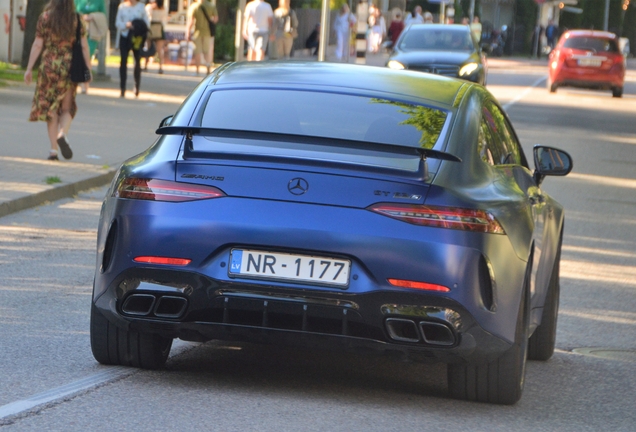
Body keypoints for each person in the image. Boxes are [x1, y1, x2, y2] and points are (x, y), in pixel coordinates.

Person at [24, 0, 92, 161]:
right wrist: (88, 69)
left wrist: (29, 68)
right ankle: (63, 134)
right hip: (69, 67)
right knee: (67, 108)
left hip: (48, 66)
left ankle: (53, 151)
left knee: (51, 109)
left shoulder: (45, 17)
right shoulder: (76, 19)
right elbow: (84, 46)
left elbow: (38, 44)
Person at [115, 0, 149, 98]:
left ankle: (136, 86)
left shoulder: (141, 7)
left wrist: (139, 27)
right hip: (125, 35)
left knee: (137, 60)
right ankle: (122, 88)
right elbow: (117, 22)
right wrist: (126, 25)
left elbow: (146, 22)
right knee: (123, 60)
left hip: (136, 37)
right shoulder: (122, 7)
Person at [75, 0, 105, 94]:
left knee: (87, 56)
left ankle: (85, 82)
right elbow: (72, 12)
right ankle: (76, 80)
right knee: (78, 56)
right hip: (78, 30)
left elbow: (103, 15)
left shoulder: (99, 1)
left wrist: (92, 17)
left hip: (92, 32)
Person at [186, 0, 217, 74]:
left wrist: (187, 32)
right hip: (207, 33)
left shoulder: (194, 6)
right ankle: (208, 69)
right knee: (207, 51)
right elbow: (215, 19)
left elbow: (191, 21)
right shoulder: (211, 6)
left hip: (197, 33)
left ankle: (197, 70)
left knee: (198, 52)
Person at [145, 0, 168, 74]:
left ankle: (146, 65)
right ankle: (160, 67)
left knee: (149, 47)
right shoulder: (164, 8)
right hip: (159, 27)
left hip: (152, 26)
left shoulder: (150, 7)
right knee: (159, 49)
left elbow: (148, 16)